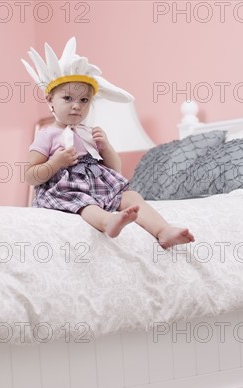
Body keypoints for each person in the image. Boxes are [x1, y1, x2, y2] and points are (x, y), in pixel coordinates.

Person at [22, 37, 194, 248]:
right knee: (85, 204)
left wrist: (106, 147)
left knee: (131, 196)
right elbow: (31, 176)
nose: (76, 106)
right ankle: (108, 221)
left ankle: (163, 230)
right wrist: (55, 163)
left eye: (84, 100)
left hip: (98, 187)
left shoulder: (89, 133)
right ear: (50, 100)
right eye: (67, 99)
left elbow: (115, 169)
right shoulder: (48, 134)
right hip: (67, 191)